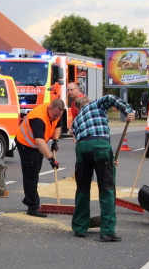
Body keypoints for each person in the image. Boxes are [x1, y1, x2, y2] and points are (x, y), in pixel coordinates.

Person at [71, 95, 134, 241]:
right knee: (107, 188)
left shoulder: (76, 120)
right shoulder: (95, 105)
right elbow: (110, 97)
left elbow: (74, 135)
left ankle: (80, 227)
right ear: (87, 103)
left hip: (82, 148)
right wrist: (128, 111)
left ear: (77, 108)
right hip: (100, 145)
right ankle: (107, 230)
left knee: (82, 188)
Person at [16, 98, 65, 217]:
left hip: (37, 146)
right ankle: (33, 207)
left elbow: (57, 125)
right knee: (31, 175)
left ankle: (29, 199)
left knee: (35, 173)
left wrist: (55, 140)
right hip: (26, 145)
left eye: (58, 115)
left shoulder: (56, 113)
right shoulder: (38, 118)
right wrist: (51, 159)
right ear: (49, 108)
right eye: (54, 115)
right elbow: (39, 142)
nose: (56, 117)